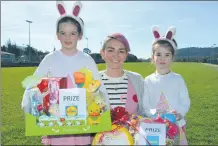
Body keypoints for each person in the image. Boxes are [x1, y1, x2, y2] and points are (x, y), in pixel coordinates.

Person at [21, 1, 107, 145]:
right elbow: (33, 83)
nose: (68, 37)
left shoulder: (87, 59)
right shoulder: (50, 58)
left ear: (80, 36)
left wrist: (103, 110)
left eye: (73, 33)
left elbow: (98, 87)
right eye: (63, 33)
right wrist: (27, 104)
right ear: (57, 35)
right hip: (57, 125)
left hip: (83, 126)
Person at [142, 26, 190, 145]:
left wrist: (179, 114)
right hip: (155, 128)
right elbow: (145, 105)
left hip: (177, 126)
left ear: (172, 57)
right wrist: (155, 115)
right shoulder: (148, 80)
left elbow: (185, 101)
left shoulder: (178, 79)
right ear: (153, 57)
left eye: (167, 55)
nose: (162, 58)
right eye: (158, 54)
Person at [99, 33, 144, 115]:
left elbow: (144, 111)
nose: (116, 55)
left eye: (121, 51)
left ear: (126, 55)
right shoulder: (93, 80)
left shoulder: (137, 80)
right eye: (111, 50)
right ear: (102, 54)